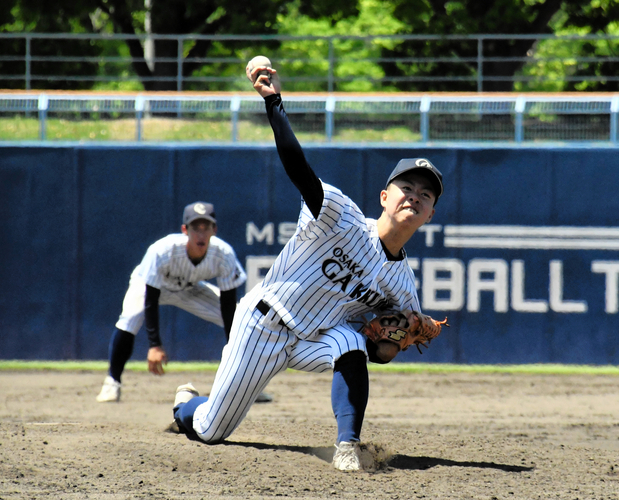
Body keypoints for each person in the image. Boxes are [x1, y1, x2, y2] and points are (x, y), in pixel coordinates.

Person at [170, 62, 445, 471]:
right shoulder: (341, 216)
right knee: (211, 430)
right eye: (406, 188)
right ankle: (185, 404)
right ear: (385, 196)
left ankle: (347, 446)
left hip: (313, 340)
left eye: (425, 194)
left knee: (350, 343)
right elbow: (299, 169)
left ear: (430, 214)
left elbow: (381, 351)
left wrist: (386, 344)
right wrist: (273, 103)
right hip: (262, 325)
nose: (414, 197)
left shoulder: (403, 286)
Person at [96, 201, 273, 404]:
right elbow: (150, 299)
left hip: (189, 288)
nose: (200, 234)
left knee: (242, 318)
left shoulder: (223, 254)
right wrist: (155, 345)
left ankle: (246, 384)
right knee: (130, 319)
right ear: (184, 230)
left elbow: (228, 311)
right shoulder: (162, 251)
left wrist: (235, 351)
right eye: (194, 228)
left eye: (205, 227)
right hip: (150, 286)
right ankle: (112, 382)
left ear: (214, 230)